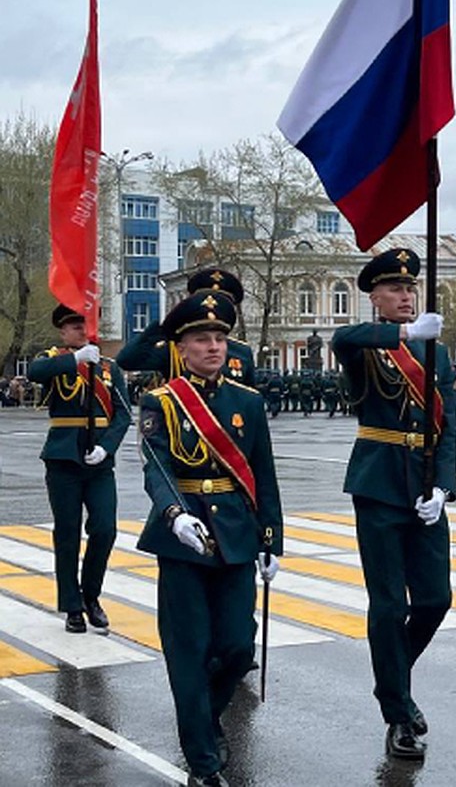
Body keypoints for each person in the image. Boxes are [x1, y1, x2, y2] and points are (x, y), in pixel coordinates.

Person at [135, 291, 283, 787]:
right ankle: (202, 761)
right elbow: (156, 467)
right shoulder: (161, 401)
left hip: (237, 536)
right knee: (189, 651)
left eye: (220, 338)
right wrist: (174, 513)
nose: (214, 347)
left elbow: (263, 473)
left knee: (239, 647)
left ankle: (206, 717)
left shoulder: (249, 402)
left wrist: (270, 539)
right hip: (183, 540)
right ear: (182, 346)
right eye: (202, 339)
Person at [331, 247, 456, 760]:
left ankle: (392, 683)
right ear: (375, 298)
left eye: (411, 289)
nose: (406, 296)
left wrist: (443, 487)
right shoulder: (370, 346)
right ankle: (399, 712)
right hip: (379, 483)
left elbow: (447, 427)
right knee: (389, 605)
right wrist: (407, 335)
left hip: (423, 485)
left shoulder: (439, 354)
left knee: (435, 599)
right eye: (395, 290)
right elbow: (343, 338)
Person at [27, 304, 132, 634]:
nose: (81, 331)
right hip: (63, 459)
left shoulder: (108, 368)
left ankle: (91, 595)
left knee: (104, 529)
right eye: (74, 327)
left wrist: (107, 446)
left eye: (84, 325)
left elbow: (123, 413)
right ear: (62, 332)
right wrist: (75, 359)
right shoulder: (55, 360)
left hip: (99, 460)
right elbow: (35, 373)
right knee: (68, 533)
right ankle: (72, 606)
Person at [116, 268, 256, 387]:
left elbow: (250, 399)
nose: (214, 308)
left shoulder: (242, 352)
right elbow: (126, 360)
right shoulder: (174, 348)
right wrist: (163, 330)